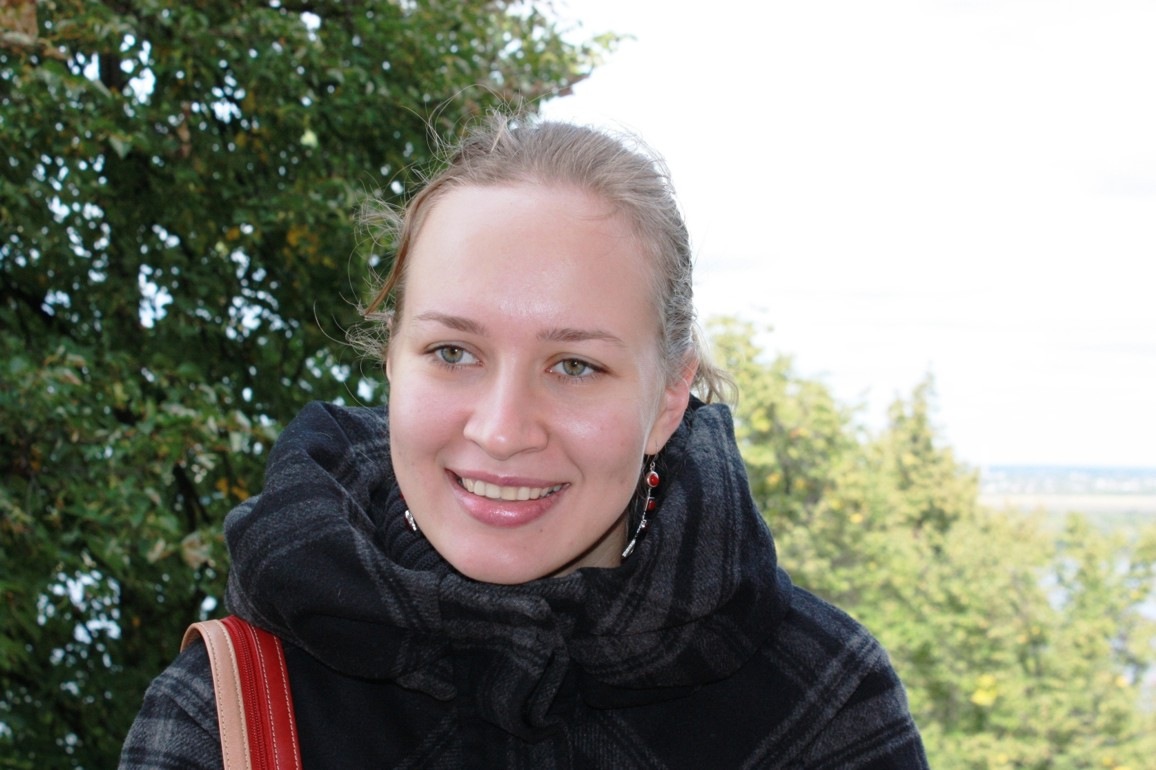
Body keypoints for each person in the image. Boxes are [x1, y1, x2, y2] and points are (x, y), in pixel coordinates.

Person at [120, 115, 929, 768]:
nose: (502, 431)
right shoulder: (234, 716)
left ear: (668, 398)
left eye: (575, 366)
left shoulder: (819, 706)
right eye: (453, 353)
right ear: (392, 359)